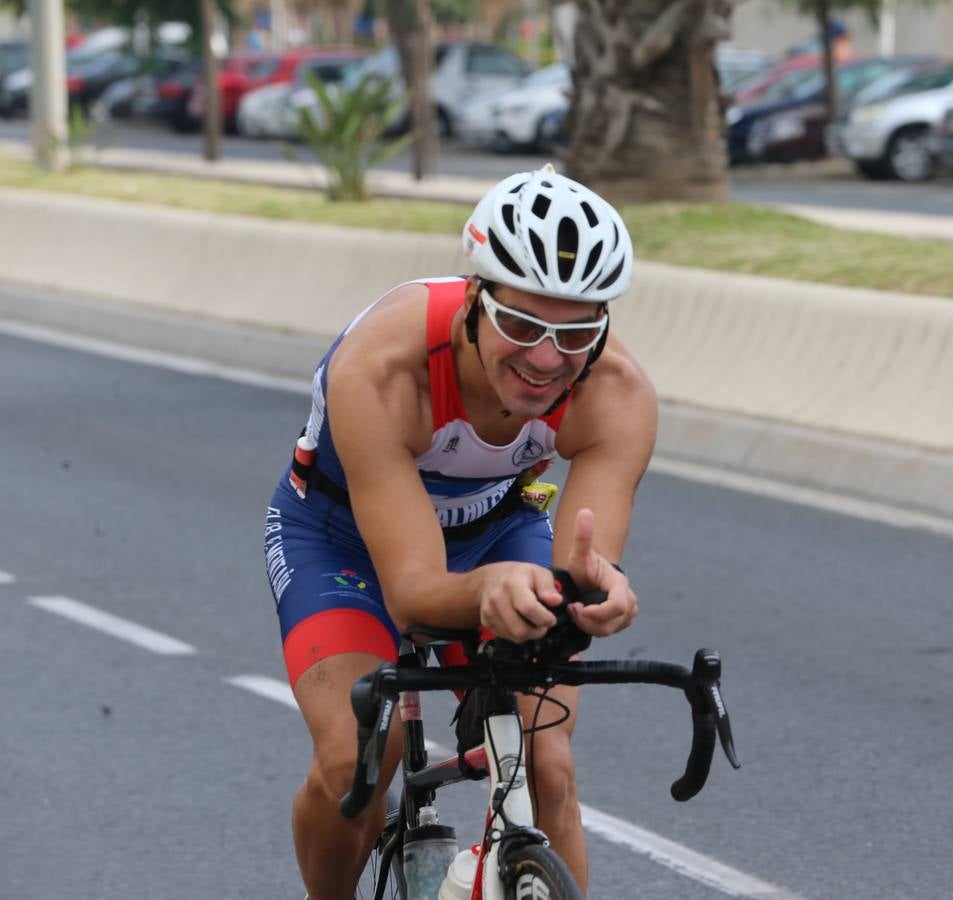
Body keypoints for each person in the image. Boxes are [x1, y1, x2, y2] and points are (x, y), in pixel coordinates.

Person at [262, 165, 657, 900]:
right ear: (475, 297)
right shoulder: (384, 370)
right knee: (358, 760)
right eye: (522, 325)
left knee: (547, 764)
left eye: (577, 331)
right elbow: (412, 592)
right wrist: (489, 592)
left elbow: (584, 564)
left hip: (494, 530)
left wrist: (598, 595)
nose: (546, 359)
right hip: (338, 536)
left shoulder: (615, 394)